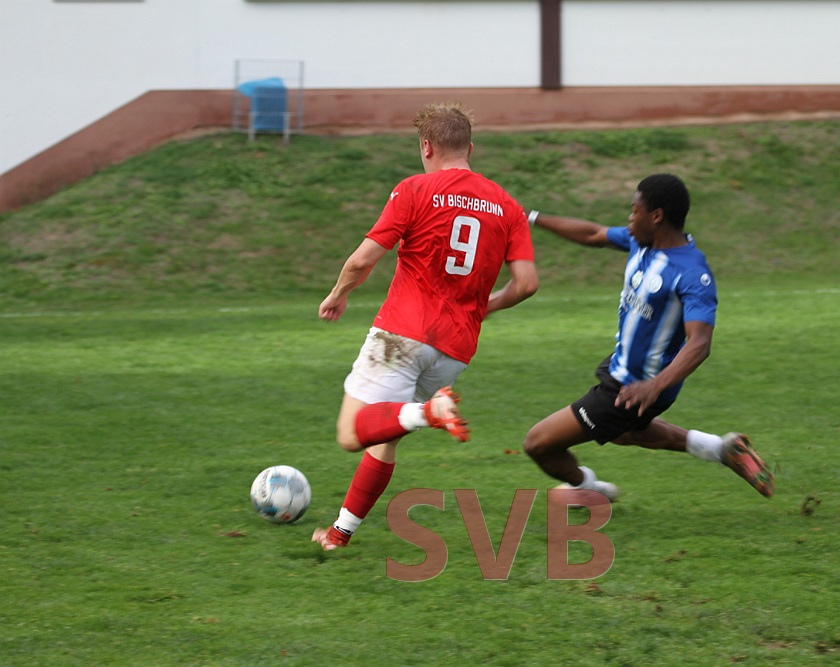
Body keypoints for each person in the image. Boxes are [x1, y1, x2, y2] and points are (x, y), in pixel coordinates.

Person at [312, 102, 539, 551]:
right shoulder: (507, 206)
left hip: (402, 333)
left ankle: (429, 413)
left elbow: (361, 260)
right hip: (455, 349)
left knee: (351, 433)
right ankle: (339, 535)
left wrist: (338, 293)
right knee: (385, 434)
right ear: (470, 148)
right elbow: (527, 283)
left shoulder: (415, 189)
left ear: (427, 147)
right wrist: (484, 308)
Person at [522, 173, 774, 501]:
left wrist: (653, 386)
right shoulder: (639, 242)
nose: (630, 218)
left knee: (539, 444)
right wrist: (530, 217)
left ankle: (589, 490)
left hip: (637, 386)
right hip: (625, 369)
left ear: (656, 216)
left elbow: (699, 343)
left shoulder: (691, 273)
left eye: (634, 210)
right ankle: (720, 449)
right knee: (625, 432)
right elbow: (593, 233)